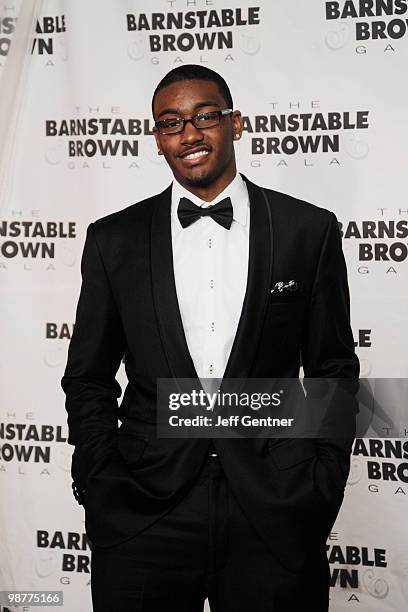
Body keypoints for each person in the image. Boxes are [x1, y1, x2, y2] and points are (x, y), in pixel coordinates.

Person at [61, 64, 359, 612]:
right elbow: (88, 376)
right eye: (171, 122)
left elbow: (332, 369)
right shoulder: (114, 240)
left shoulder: (307, 230)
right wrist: (99, 479)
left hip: (275, 499)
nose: (189, 134)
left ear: (236, 124)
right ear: (158, 139)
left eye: (205, 116)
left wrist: (322, 483)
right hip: (144, 504)